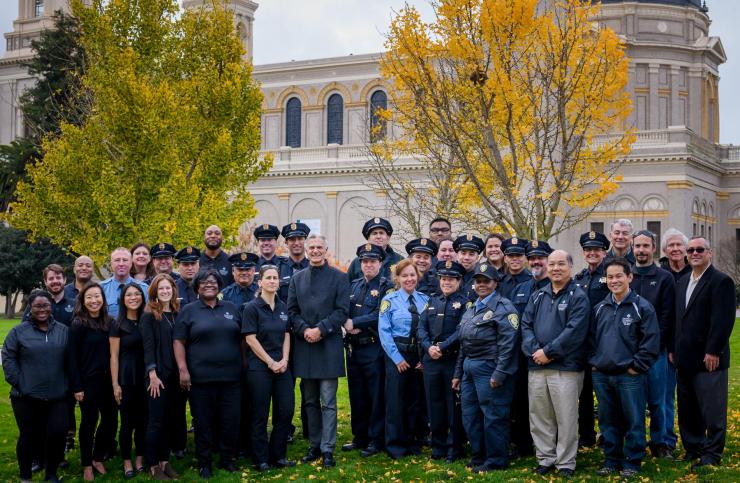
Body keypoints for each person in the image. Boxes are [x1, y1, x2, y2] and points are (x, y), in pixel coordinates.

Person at [520, 250, 589, 477]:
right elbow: (526, 325)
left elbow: (574, 332)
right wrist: (534, 351)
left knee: (566, 417)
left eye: (561, 264)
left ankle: (566, 462)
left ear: (570, 266)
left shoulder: (578, 296)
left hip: (565, 368)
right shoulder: (538, 295)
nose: (556, 268)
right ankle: (545, 458)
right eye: (552, 264)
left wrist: (548, 352)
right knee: (540, 416)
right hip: (537, 366)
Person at [590, 258, 660, 478]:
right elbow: (590, 339)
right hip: (603, 375)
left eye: (619, 276)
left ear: (629, 277)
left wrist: (637, 366)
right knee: (608, 420)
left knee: (634, 420)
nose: (614, 281)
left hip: (630, 376)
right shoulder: (600, 308)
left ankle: (633, 461)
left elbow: (651, 341)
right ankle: (612, 459)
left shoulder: (642, 307)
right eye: (610, 277)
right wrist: (594, 362)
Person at [672, 237, 735, 469]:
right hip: (684, 358)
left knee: (712, 409)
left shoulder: (721, 281)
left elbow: (723, 321)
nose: (695, 253)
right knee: (688, 409)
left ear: (710, 252)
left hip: (709, 359)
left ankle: (711, 454)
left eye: (700, 249)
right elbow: (678, 320)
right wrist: (673, 350)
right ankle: (693, 448)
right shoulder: (682, 282)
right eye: (691, 250)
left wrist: (713, 350)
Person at [174, 269, 243, 478]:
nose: (209, 285)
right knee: (203, 421)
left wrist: (244, 367)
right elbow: (178, 341)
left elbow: (242, 340)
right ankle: (205, 462)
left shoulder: (231, 308)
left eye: (213, 282)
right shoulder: (189, 311)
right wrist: (183, 370)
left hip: (232, 378)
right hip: (201, 378)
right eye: (204, 282)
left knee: (230, 420)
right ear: (197, 287)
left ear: (219, 285)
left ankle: (227, 459)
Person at [288, 234, 350, 468]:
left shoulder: (339, 277)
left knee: (328, 401)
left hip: (328, 345)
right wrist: (305, 330)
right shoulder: (297, 278)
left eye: (319, 247)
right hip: (305, 345)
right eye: (311, 247)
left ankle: (328, 448)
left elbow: (342, 311)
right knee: (310, 401)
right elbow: (291, 310)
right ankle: (314, 445)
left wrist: (320, 330)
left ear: (326, 250)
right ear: (306, 249)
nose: (315, 251)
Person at [451, 262, 519, 473]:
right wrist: (458, 373)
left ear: (495, 283)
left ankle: (497, 459)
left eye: (485, 281)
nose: (481, 285)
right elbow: (463, 343)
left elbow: (509, 345)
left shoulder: (504, 308)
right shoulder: (472, 308)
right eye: (478, 281)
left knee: (493, 415)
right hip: (470, 367)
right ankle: (479, 456)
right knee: (470, 415)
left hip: (491, 367)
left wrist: (500, 373)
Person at [2, 290, 69, 483]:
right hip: (25, 396)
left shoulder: (64, 331)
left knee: (57, 433)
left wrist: (68, 385)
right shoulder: (18, 331)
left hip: (58, 395)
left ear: (51, 306)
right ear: (30, 308)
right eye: (37, 306)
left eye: (46, 305)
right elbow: (8, 358)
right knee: (29, 436)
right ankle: (25, 476)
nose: (42, 310)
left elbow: (71, 360)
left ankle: (51, 474)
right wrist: (21, 384)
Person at [341, 244, 393, 458]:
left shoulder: (386, 287)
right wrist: (348, 321)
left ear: (380, 263)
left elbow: (381, 313)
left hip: (373, 347)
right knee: (357, 395)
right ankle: (359, 436)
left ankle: (375, 438)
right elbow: (344, 310)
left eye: (372, 261)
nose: (368, 264)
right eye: (364, 261)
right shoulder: (353, 285)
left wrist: (355, 321)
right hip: (354, 348)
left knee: (375, 395)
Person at [242, 265, 296, 471]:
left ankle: (278, 456)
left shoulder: (283, 307)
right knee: (259, 414)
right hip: (260, 369)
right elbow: (250, 338)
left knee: (285, 411)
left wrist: (284, 360)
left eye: (275, 278)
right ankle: (261, 458)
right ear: (260, 282)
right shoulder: (252, 308)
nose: (273, 281)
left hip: (282, 368)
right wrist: (270, 362)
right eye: (268, 278)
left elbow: (287, 334)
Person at [630, 230, 677, 458]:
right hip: (629, 352)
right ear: (632, 248)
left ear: (653, 248)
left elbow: (668, 317)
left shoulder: (664, 277)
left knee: (659, 401)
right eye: (637, 246)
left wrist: (657, 347)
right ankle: (635, 442)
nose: (641, 250)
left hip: (656, 352)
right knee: (633, 402)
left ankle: (661, 442)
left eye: (645, 246)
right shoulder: (626, 275)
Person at [378, 259, 429, 459]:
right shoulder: (389, 301)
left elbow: (429, 330)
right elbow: (385, 333)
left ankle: (412, 441)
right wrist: (398, 359)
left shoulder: (425, 300)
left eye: (412, 275)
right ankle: (395, 444)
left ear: (418, 276)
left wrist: (423, 358)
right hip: (396, 354)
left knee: (415, 400)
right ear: (397, 278)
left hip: (418, 355)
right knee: (396, 400)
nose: (409, 279)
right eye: (405, 275)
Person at [418, 260, 468, 462]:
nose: (446, 282)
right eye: (444, 278)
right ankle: (437, 447)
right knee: (434, 404)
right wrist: (429, 346)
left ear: (459, 280)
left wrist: (442, 347)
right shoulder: (432, 301)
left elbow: (461, 331)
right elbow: (421, 328)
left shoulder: (465, 303)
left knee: (452, 407)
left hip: (451, 359)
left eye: (451, 279)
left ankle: (454, 447)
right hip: (431, 360)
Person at [509, 240, 553, 459]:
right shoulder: (520, 288)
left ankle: (548, 445)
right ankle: (523, 444)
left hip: (545, 355)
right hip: (520, 355)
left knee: (545, 404)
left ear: (548, 260)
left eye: (541, 258)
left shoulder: (554, 286)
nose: (536, 261)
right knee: (521, 401)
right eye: (532, 258)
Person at [69, 283, 117, 481]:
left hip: (108, 380)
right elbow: (71, 357)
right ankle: (86, 463)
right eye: (89, 297)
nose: (94, 300)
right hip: (87, 382)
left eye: (97, 296)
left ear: (103, 299)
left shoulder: (109, 322)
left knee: (111, 421)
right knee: (89, 423)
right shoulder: (79, 324)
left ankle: (98, 457)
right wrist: (77, 386)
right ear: (83, 301)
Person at [140, 274, 184, 480]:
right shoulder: (150, 314)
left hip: (174, 375)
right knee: (156, 421)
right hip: (157, 376)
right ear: (155, 292)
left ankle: (164, 461)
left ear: (173, 290)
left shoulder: (176, 312)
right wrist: (152, 374)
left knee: (169, 420)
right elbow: (147, 347)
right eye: (161, 289)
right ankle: (152, 464)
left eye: (168, 288)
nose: (165, 291)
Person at [573, 230, 610, 447]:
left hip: (603, 344)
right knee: (584, 395)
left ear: (604, 252)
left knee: (605, 395)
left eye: (596, 249)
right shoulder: (580, 278)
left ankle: (608, 435)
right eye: (588, 250)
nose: (592, 253)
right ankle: (586, 435)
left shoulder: (610, 275)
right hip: (582, 346)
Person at [109, 283, 147, 478]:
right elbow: (113, 356)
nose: (133, 297)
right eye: (129, 295)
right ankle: (126, 462)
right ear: (123, 300)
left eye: (137, 294)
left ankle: (140, 458)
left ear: (142, 297)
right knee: (127, 423)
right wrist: (115, 384)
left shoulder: (147, 320)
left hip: (146, 377)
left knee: (143, 422)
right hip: (126, 377)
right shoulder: (117, 323)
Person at [346, 217, 404, 282]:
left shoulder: (400, 261)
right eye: (374, 233)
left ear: (388, 237)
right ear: (368, 238)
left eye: (381, 233)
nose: (378, 237)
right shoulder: (357, 262)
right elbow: (347, 287)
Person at [100, 247, 149, 318]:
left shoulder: (144, 289)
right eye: (117, 260)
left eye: (125, 260)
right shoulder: (101, 288)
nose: (121, 264)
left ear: (131, 263)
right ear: (111, 264)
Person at [278, 222, 310, 302]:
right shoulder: (278, 269)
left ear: (305, 241)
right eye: (292, 239)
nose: (296, 243)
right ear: (286, 243)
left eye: (300, 238)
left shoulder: (313, 267)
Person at [453, 234, 485, 302]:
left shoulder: (483, 278)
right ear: (457, 255)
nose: (466, 258)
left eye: (471, 254)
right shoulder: (448, 277)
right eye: (463, 253)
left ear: (477, 258)